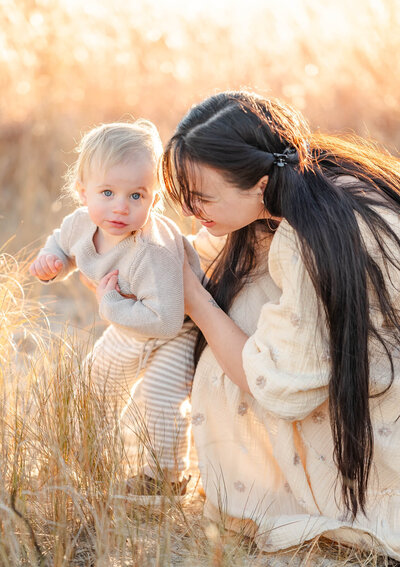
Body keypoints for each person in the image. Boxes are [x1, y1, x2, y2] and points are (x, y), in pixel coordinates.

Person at [161, 91, 400, 557]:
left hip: (382, 413)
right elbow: (215, 252)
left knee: (224, 349)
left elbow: (278, 384)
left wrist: (196, 305)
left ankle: (260, 489)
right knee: (242, 292)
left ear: (259, 183)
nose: (190, 210)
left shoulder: (308, 243)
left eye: (202, 197)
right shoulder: (327, 180)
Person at [29, 120, 201, 500]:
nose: (120, 207)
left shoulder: (151, 253)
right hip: (131, 318)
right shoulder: (81, 223)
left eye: (136, 196)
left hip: (176, 327)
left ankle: (166, 477)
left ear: (154, 200)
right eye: (107, 192)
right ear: (83, 192)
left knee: (161, 395)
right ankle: (85, 455)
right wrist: (52, 260)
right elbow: (62, 242)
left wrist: (109, 305)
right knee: (95, 382)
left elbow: (167, 320)